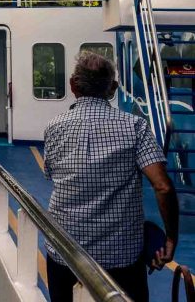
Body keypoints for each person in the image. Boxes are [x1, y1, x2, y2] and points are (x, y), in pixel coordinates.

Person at [43, 52, 178, 301]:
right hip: (121, 260)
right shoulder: (135, 126)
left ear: (73, 85)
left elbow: (51, 175)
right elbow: (163, 187)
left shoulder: (54, 127)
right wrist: (170, 238)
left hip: (66, 254)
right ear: (113, 88)